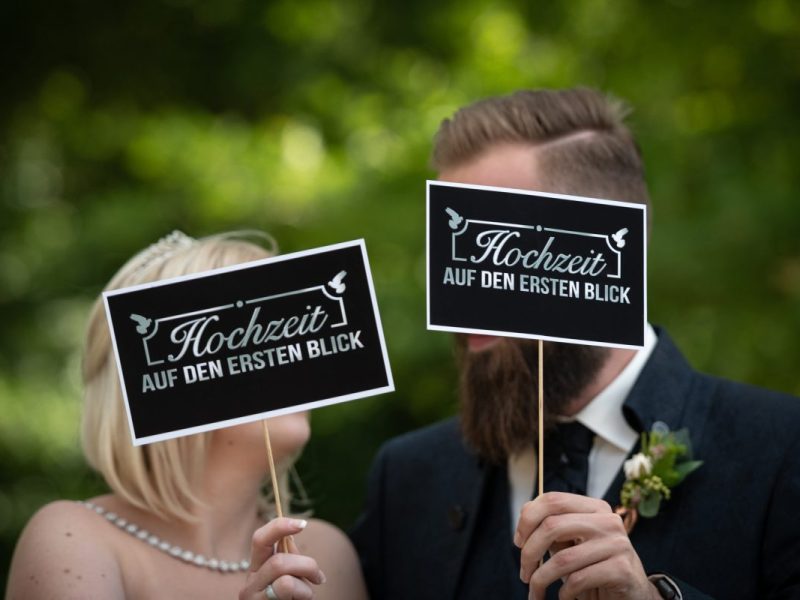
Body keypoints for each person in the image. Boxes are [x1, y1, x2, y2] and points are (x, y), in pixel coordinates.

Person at [351, 88, 800, 599]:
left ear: (608, 252)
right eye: (454, 247)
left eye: (497, 245)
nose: (461, 291)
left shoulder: (782, 450)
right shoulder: (406, 478)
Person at [6, 231, 368, 600]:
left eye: (291, 326)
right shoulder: (73, 538)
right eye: (251, 333)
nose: (289, 357)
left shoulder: (329, 552)